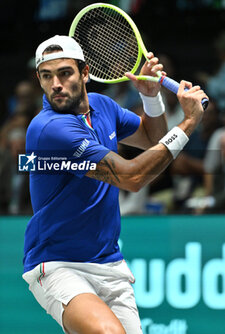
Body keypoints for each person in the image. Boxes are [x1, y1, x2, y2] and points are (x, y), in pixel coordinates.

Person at [22, 35, 207, 334]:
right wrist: (188, 123)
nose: (55, 83)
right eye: (46, 76)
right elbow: (132, 177)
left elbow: (150, 139)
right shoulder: (50, 129)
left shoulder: (102, 106)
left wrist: (150, 97)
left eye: (65, 73)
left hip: (109, 264)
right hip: (58, 263)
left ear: (85, 72)